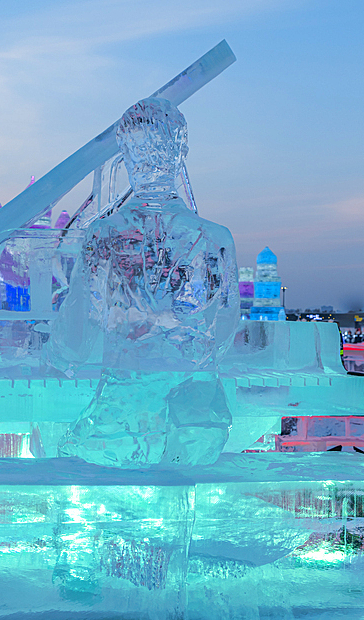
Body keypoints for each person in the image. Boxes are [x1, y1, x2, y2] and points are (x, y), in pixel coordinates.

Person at [49, 97, 239, 468]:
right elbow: (226, 329)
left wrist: (54, 355)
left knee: (65, 457)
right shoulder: (216, 238)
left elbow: (77, 335)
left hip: (123, 425)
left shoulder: (104, 235)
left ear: (126, 155)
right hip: (201, 420)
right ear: (181, 150)